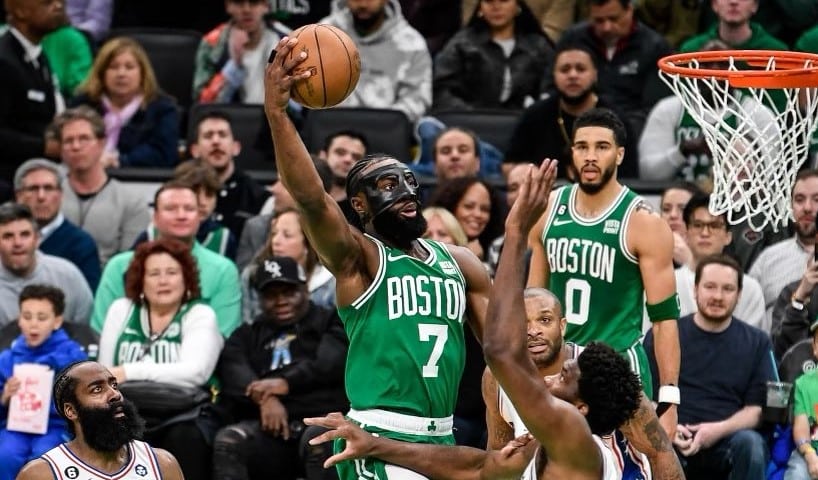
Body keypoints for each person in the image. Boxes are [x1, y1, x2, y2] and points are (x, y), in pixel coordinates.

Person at [304, 162, 683, 479]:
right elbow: (479, 468)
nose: (550, 375)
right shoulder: (537, 433)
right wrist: (375, 444)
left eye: (564, 376)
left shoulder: (568, 433)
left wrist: (516, 231)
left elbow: (501, 350)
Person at [265, 35, 491, 480]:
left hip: (443, 437)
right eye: (386, 185)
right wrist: (277, 113)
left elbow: (503, 354)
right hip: (379, 434)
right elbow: (311, 199)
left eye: (409, 180)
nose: (405, 190)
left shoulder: (461, 261)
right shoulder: (360, 259)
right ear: (360, 206)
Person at [526, 107, 680, 436]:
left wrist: (669, 399)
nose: (591, 156)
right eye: (582, 146)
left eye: (602, 146)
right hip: (560, 366)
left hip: (617, 365)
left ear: (620, 154)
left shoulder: (643, 221)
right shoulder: (548, 209)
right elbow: (532, 303)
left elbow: (664, 320)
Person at [97, 238, 224, 479]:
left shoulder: (199, 314)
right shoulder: (121, 309)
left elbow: (195, 373)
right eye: (154, 273)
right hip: (127, 410)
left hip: (184, 414)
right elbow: (105, 372)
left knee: (185, 436)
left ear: (185, 278)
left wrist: (130, 372)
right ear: (141, 280)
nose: (163, 280)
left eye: (172, 272)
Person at [214, 255, 348, 480]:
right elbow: (233, 370)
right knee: (229, 440)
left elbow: (328, 364)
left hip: (318, 421)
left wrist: (286, 383)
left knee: (320, 438)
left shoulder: (330, 321)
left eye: (289, 292)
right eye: (271, 295)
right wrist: (266, 398)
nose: (281, 301)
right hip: (268, 431)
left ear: (305, 289)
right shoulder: (247, 334)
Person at [645, 253, 772, 480]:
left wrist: (715, 431)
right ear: (695, 289)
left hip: (728, 439)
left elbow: (756, 411)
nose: (717, 296)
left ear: (739, 294)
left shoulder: (757, 342)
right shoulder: (665, 336)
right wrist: (669, 429)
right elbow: (644, 396)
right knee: (653, 437)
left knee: (752, 444)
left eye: (727, 289)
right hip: (673, 436)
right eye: (710, 287)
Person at [92, 181, 242, 338]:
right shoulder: (119, 266)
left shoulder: (224, 270)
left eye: (189, 209)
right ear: (155, 217)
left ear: (199, 217)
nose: (181, 216)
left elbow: (224, 335)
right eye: (171, 209)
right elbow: (99, 332)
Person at [15, 360, 183, 480]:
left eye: (114, 385)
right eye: (97, 389)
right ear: (71, 410)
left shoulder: (162, 465)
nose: (115, 394)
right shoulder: (41, 474)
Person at [638, 40, 778, 183]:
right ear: (693, 70)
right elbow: (648, 174)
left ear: (735, 70)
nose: (714, 71)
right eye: (706, 64)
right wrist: (681, 151)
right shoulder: (668, 109)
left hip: (735, 200)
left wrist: (734, 153)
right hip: (680, 200)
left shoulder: (757, 112)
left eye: (722, 64)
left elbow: (771, 174)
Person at [502, 44, 639, 179]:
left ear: (595, 74)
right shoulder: (535, 115)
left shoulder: (615, 119)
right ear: (554, 75)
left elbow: (629, 174)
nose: (572, 75)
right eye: (565, 69)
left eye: (580, 69)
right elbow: (509, 166)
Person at [0, 285, 87, 480]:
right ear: (19, 319)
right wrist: (5, 396)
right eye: (27, 316)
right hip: (16, 426)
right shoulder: (7, 358)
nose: (33, 325)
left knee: (45, 459)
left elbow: (86, 396)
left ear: (56, 321)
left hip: (56, 427)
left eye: (41, 318)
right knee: (4, 455)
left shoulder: (73, 356)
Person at [553, 0, 672, 137]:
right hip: (574, 127)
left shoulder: (654, 47)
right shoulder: (572, 39)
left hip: (633, 133)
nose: (606, 27)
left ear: (629, 10)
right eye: (598, 20)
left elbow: (654, 108)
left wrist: (614, 133)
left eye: (613, 19)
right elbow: (551, 89)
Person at [53, 106, 151, 265]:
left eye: (84, 139)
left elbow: (132, 264)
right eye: (68, 141)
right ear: (61, 150)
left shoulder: (131, 202)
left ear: (101, 143)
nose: (76, 147)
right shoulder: (47, 197)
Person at [71, 37, 179, 168]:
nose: (121, 74)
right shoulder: (81, 105)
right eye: (113, 67)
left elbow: (164, 154)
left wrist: (119, 161)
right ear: (101, 73)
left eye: (129, 67)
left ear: (142, 73)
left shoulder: (163, 109)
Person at [320, 0, 432, 123]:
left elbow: (417, 100)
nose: (362, 4)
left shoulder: (412, 43)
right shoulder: (322, 34)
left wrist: (378, 122)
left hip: (387, 128)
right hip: (331, 124)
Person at [432, 0, 553, 111]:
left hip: (525, 124)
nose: (496, 7)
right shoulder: (462, 45)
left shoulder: (538, 47)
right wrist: (471, 115)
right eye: (489, 1)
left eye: (504, 0)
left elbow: (552, 90)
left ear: (518, 6)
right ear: (480, 8)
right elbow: (441, 90)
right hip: (470, 124)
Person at [0, 0, 65, 194]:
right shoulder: (3, 61)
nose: (58, 6)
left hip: (36, 179)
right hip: (7, 184)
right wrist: (43, 146)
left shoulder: (38, 55)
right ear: (20, 11)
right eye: (47, 3)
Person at [676, 193, 767, 331]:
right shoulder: (668, 282)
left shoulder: (750, 288)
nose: (705, 233)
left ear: (728, 236)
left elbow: (753, 344)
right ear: (686, 233)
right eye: (698, 225)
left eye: (714, 225)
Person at [14, 158, 100, 291]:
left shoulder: (81, 244)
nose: (41, 196)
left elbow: (89, 301)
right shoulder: (4, 238)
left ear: (60, 195)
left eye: (48, 188)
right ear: (18, 196)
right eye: (33, 189)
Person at [0, 203, 93, 327]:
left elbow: (85, 332)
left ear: (37, 239)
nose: (18, 243)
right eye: (8, 236)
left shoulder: (68, 275)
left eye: (25, 235)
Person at [241, 208, 337, 322]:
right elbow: (250, 323)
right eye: (274, 234)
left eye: (287, 235)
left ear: (308, 243)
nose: (276, 241)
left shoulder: (331, 281)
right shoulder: (253, 275)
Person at [189, 109, 270, 239]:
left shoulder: (258, 197)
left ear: (236, 147)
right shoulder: (181, 192)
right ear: (195, 150)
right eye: (208, 136)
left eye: (222, 134)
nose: (216, 141)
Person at [750, 170, 818, 324]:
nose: (807, 207)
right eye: (799, 200)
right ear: (791, 206)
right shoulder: (768, 259)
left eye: (816, 199)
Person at [134, 160, 238, 260]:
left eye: (209, 195)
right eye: (195, 193)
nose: (202, 202)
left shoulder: (224, 237)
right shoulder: (151, 235)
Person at [194, 0, 286, 104]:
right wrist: (235, 64)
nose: (246, 10)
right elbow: (202, 104)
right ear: (228, 6)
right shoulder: (212, 43)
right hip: (231, 116)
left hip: (277, 117)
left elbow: (299, 107)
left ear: (265, 6)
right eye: (239, 2)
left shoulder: (286, 38)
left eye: (254, 3)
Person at [429, 176, 507, 261]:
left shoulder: (498, 248)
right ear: (452, 206)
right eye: (469, 207)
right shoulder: (434, 239)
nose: (478, 214)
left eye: (485, 209)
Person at [679, 0, 787, 53]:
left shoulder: (776, 51)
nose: (734, 2)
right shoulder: (691, 50)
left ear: (755, 6)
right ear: (714, 4)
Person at [658, 182, 700, 268]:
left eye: (682, 209)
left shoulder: (710, 249)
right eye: (666, 209)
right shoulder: (646, 248)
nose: (673, 215)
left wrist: (689, 261)